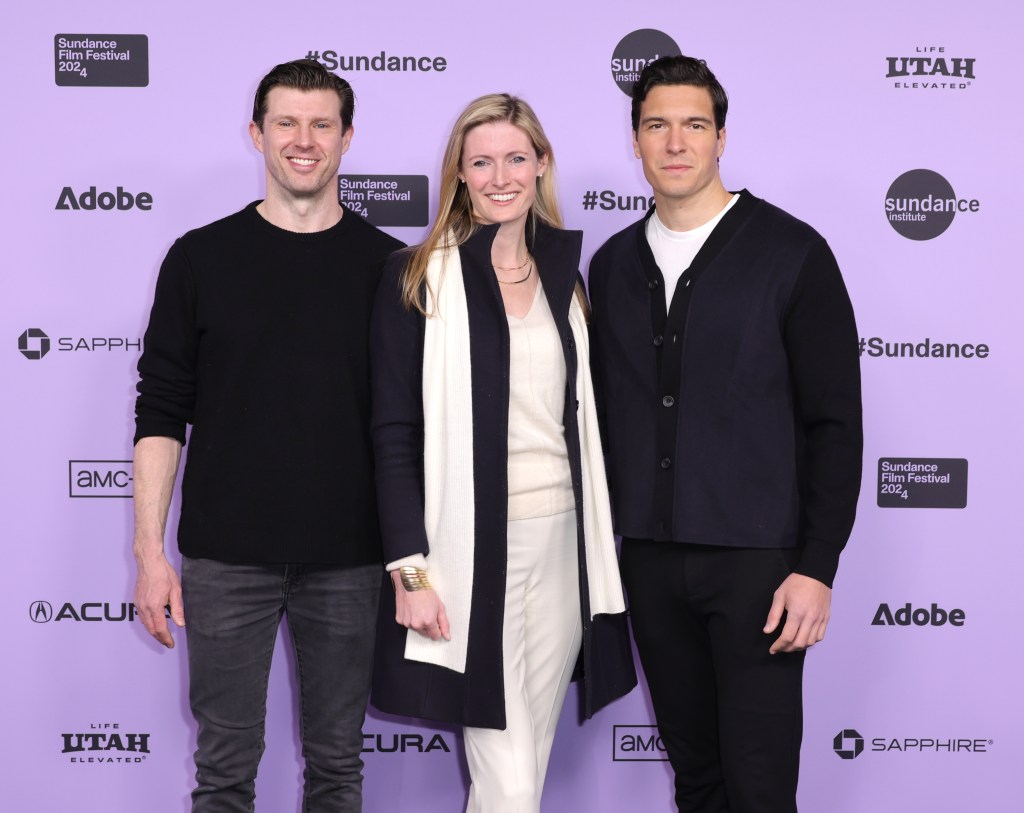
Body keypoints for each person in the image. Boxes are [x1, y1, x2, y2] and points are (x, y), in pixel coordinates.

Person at [587, 56, 863, 812]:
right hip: (648, 562)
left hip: (760, 571)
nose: (676, 142)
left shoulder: (791, 253)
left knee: (761, 785)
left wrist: (817, 565)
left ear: (721, 137)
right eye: (657, 125)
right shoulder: (610, 265)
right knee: (697, 780)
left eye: (694, 125)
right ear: (636, 141)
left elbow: (835, 422)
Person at [131, 59, 403, 812]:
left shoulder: (392, 267)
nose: (304, 140)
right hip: (224, 559)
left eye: (322, 124)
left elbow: (413, 428)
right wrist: (150, 554)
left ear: (348, 138)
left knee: (338, 770)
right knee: (223, 772)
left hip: (351, 558)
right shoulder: (199, 257)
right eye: (286, 122)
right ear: (258, 134)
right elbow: (161, 410)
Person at [369, 93, 636, 813]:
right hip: (468, 557)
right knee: (510, 783)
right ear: (458, 172)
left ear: (542, 164)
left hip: (563, 546)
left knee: (527, 766)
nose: (499, 176)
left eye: (516, 158)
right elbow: (392, 433)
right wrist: (410, 570)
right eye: (480, 161)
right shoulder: (416, 276)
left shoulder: (566, 279)